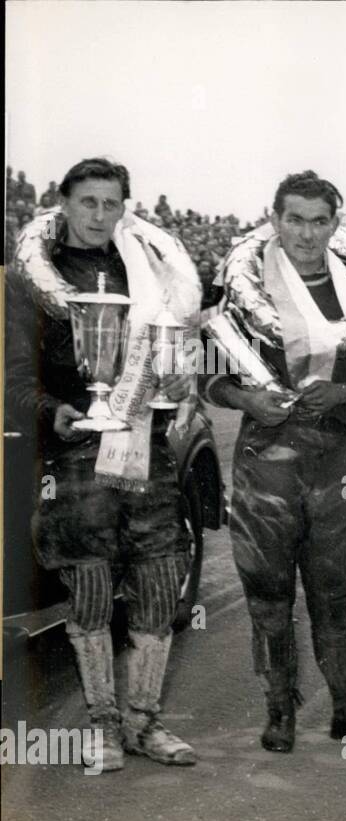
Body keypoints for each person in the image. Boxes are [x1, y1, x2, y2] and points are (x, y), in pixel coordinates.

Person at [6, 157, 201, 772]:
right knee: (88, 588)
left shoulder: (147, 272)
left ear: (125, 209)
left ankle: (147, 723)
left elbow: (182, 345)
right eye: (86, 202)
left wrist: (179, 372)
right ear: (62, 204)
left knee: (158, 581)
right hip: (75, 450)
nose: (98, 214)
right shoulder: (28, 280)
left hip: (147, 444)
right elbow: (14, 377)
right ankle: (102, 727)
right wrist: (54, 409)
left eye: (110, 203)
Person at [203, 170, 346, 754]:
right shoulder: (242, 288)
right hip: (266, 461)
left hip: (334, 458)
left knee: (333, 590)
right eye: (296, 220)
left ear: (336, 225)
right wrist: (247, 399)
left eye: (320, 221)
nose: (308, 234)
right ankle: (279, 711)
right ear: (275, 219)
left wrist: (343, 394)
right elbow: (207, 378)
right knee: (268, 593)